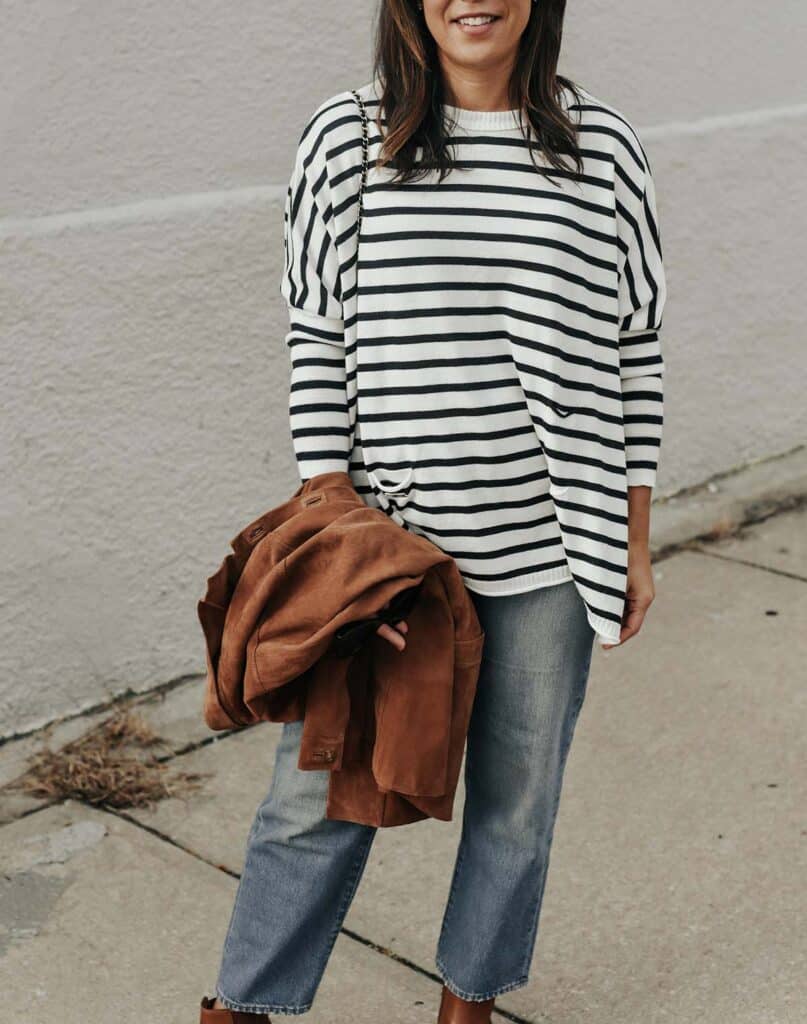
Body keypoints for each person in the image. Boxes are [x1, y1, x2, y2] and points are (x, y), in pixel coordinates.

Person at [201, 0, 666, 1020]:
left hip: (552, 554)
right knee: (315, 802)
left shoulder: (603, 148)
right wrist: (339, 534)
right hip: (393, 558)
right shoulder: (347, 136)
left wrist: (631, 538)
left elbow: (635, 349)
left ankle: (469, 1005)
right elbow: (316, 336)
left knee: (517, 808)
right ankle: (238, 1008)